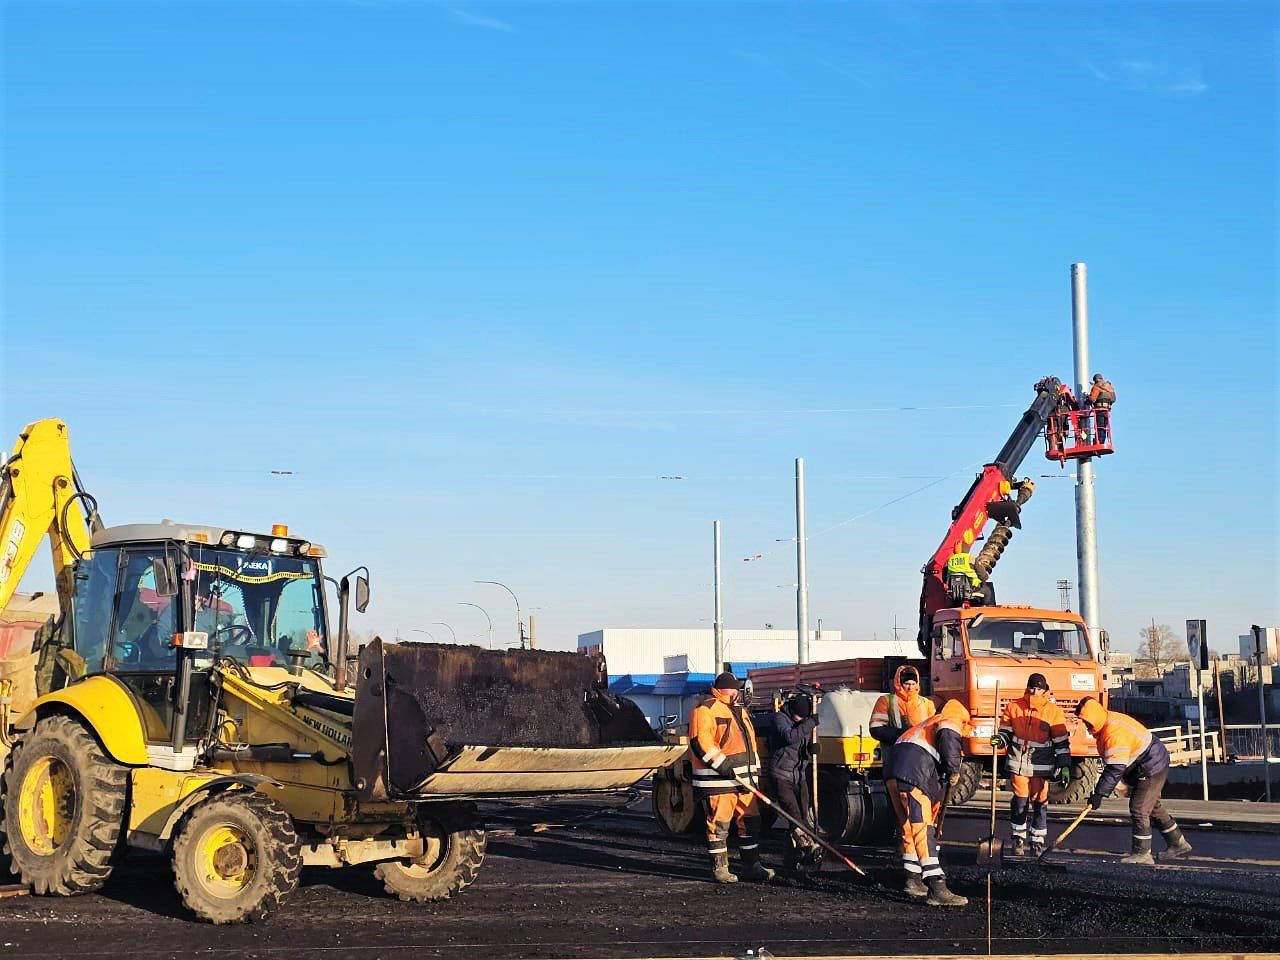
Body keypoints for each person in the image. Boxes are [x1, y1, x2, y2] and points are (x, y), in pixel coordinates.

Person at [1076, 698, 1193, 865]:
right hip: (1150, 761)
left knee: (1139, 808)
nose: (1085, 725)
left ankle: (1142, 853)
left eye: (1086, 721)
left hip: (1151, 765)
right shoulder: (1106, 722)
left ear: (1094, 718)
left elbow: (1115, 768)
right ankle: (1178, 843)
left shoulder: (1112, 732)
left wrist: (1099, 794)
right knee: (1151, 806)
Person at [689, 671, 775, 884]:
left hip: (744, 782)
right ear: (729, 689)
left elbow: (750, 747)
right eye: (736, 689)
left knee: (751, 821)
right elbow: (701, 743)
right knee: (720, 824)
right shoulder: (705, 710)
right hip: (719, 781)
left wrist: (754, 777)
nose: (739, 693)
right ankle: (720, 868)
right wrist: (724, 766)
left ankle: (752, 865)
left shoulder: (740, 712)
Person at [884, 700, 971, 906]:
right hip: (914, 774)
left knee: (907, 827)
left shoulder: (924, 726)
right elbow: (949, 740)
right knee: (923, 829)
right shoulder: (952, 717)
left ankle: (913, 879)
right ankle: (936, 886)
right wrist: (953, 770)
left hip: (893, 773)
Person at [997, 673, 1070, 856]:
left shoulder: (1053, 711)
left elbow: (1061, 741)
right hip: (1017, 761)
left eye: (1038, 688)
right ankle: (1018, 838)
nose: (1035, 691)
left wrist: (1065, 764)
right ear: (1027, 687)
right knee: (1020, 800)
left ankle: (1037, 840)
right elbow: (1006, 730)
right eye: (1032, 687)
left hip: (1041, 764)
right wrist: (1000, 740)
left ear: (1045, 690)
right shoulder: (1014, 706)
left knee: (1040, 801)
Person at [870, 665, 936, 827]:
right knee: (899, 803)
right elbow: (876, 729)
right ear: (899, 682)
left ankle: (923, 834)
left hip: (922, 762)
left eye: (913, 683)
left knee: (922, 800)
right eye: (907, 683)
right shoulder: (887, 701)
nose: (910, 686)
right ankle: (902, 835)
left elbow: (934, 729)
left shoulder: (927, 704)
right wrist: (902, 734)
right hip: (896, 760)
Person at [770, 693, 820, 872]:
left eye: (804, 717)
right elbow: (790, 737)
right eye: (799, 716)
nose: (801, 719)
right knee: (794, 816)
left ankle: (792, 859)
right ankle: (807, 848)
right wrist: (809, 724)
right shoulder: (779, 719)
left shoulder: (804, 723)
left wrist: (811, 750)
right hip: (781, 775)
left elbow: (801, 746)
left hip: (799, 776)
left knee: (804, 817)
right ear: (791, 710)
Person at [1086, 374, 1116, 445]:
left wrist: (1088, 397)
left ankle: (1098, 442)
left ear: (1095, 379)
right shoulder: (1109, 387)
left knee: (1099, 427)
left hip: (1099, 410)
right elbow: (1114, 399)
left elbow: (1093, 399)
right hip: (1106, 410)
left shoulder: (1096, 386)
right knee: (1104, 428)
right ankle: (1102, 442)